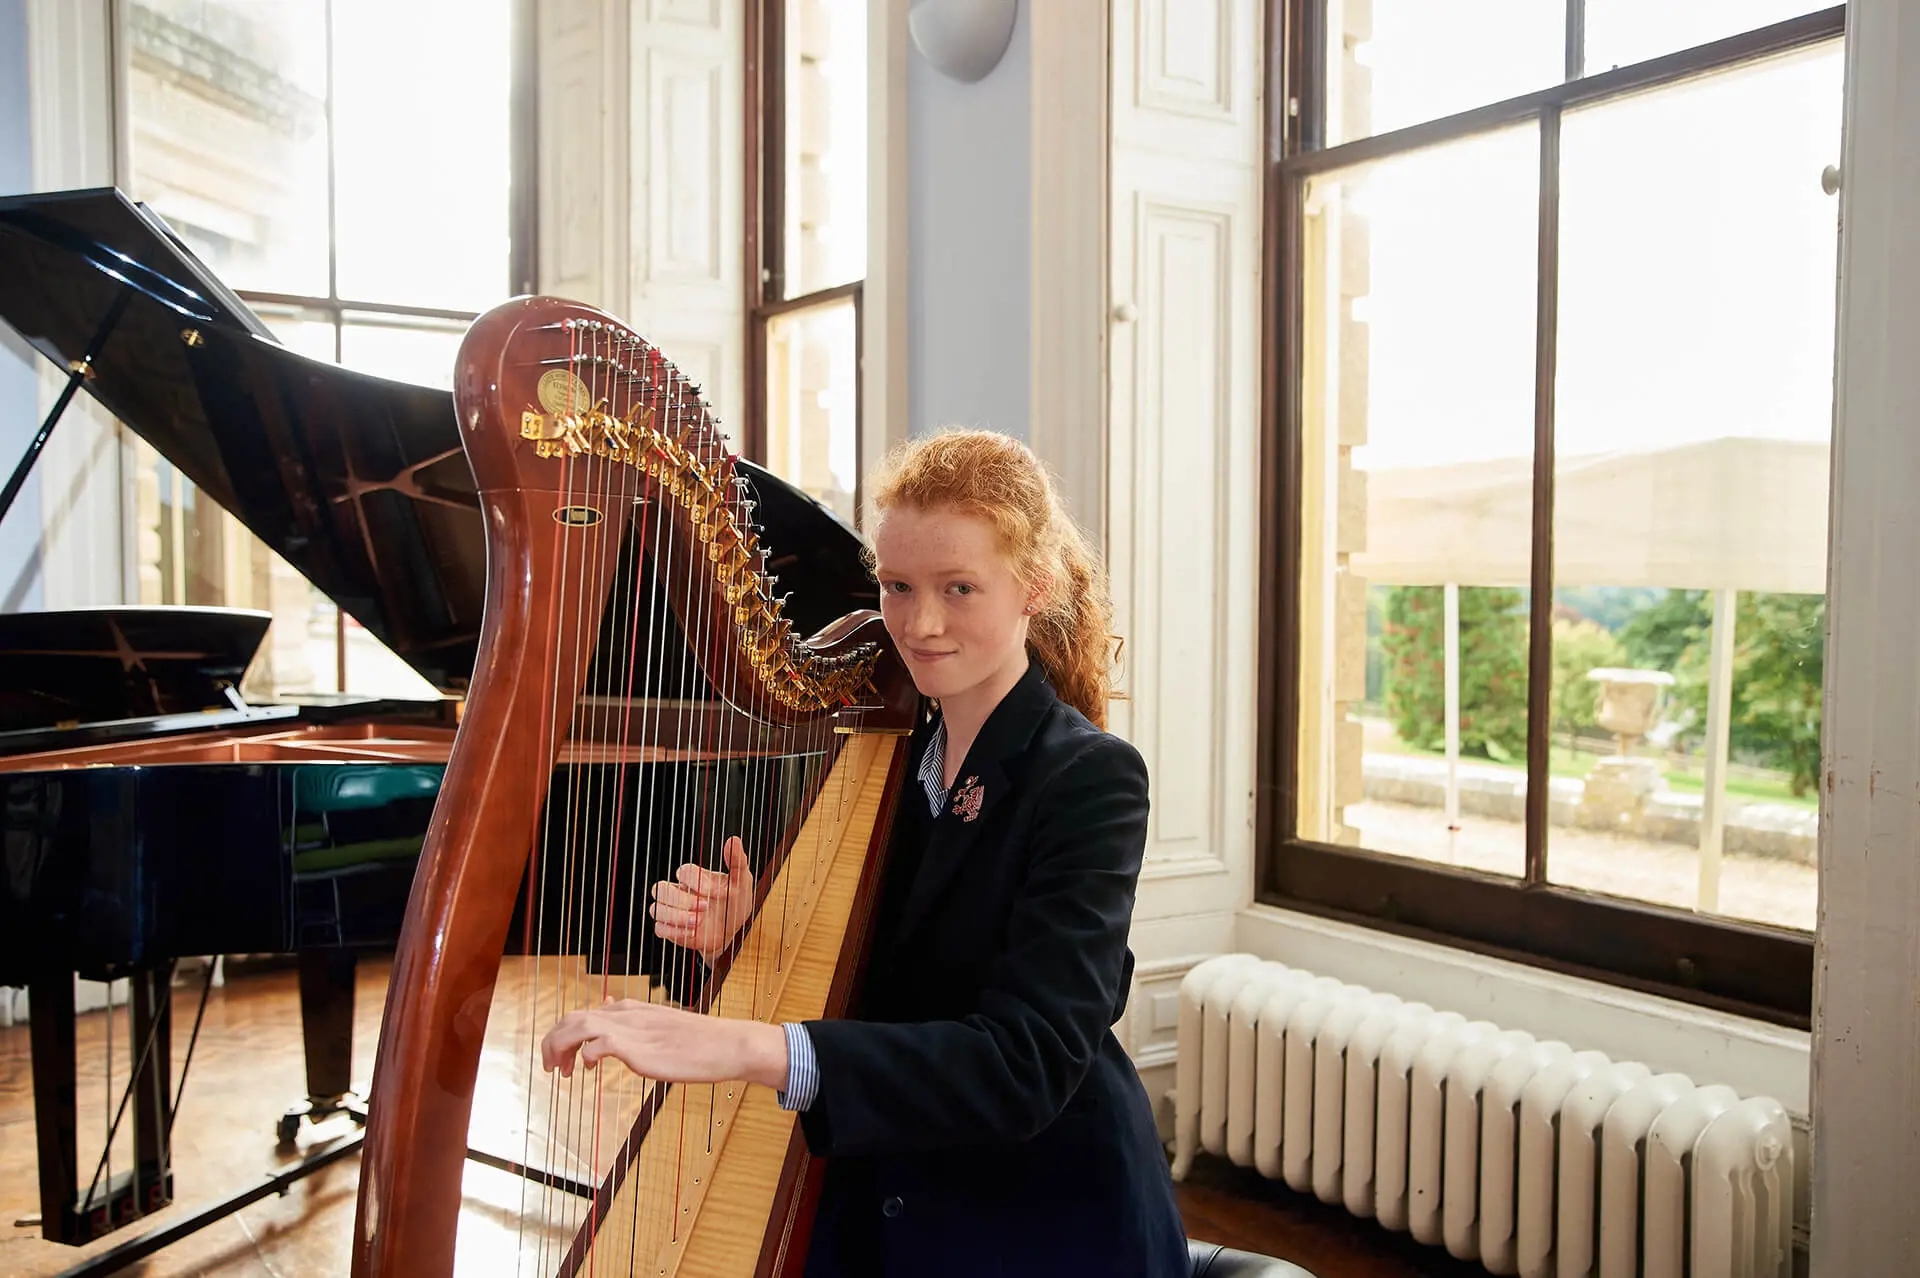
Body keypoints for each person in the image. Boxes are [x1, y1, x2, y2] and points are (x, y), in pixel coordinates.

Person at [541, 429, 1189, 1277]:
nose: (919, 623)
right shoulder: (901, 759)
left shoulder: (1089, 779)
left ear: (1033, 587)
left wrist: (746, 1045)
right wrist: (752, 932)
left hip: (1036, 1212)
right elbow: (891, 974)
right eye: (897, 585)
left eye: (959, 588)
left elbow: (1022, 1064)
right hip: (899, 1175)